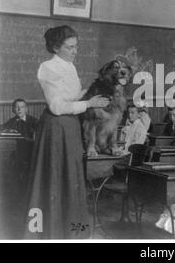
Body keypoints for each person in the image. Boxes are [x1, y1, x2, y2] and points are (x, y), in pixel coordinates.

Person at [25, 25, 109, 239]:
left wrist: (93, 91)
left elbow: (71, 97)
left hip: (70, 127)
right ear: (55, 47)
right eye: (70, 47)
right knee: (55, 178)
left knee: (71, 177)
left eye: (76, 47)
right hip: (56, 128)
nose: (75, 51)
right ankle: (51, 233)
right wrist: (89, 103)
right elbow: (57, 106)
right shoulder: (48, 67)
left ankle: (71, 232)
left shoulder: (69, 66)